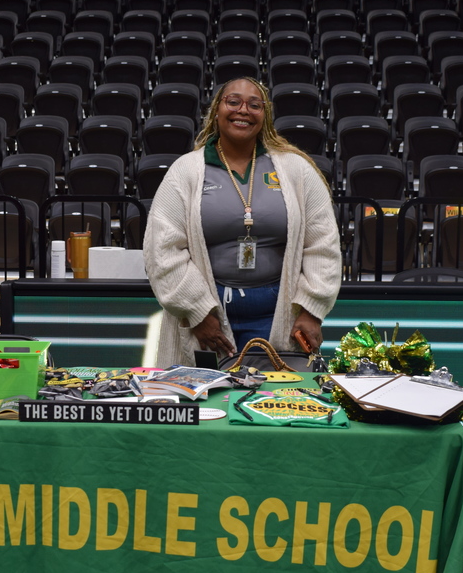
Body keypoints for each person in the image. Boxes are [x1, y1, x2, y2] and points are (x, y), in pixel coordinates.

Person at [143, 77, 341, 367]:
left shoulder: (296, 169)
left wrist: (312, 309)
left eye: (254, 104)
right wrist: (197, 311)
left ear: (266, 114)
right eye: (233, 101)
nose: (243, 110)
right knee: (208, 403)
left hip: (278, 318)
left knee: (275, 404)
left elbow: (322, 243)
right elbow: (163, 249)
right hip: (208, 322)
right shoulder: (185, 171)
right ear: (217, 110)